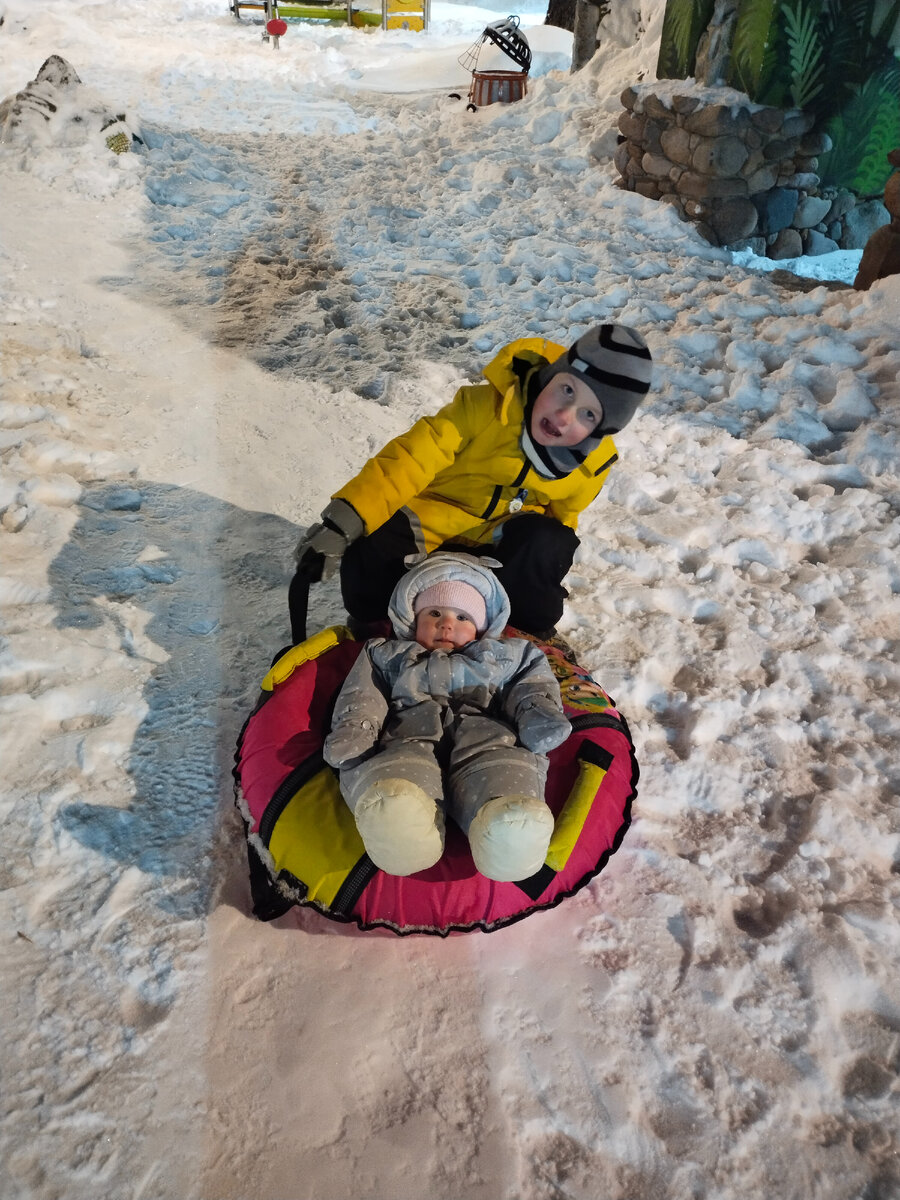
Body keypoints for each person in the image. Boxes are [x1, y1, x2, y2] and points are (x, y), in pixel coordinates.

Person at [292, 323, 653, 638]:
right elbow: (410, 460)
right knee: (372, 546)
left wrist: (541, 570)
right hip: (431, 525)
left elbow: (562, 520)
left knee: (549, 541)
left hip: (500, 549)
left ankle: (528, 631)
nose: (563, 414)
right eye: (567, 390)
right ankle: (374, 624)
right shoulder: (484, 409)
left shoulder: (588, 465)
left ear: (600, 430)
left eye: (587, 413)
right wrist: (343, 523)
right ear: (551, 375)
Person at [322, 553, 571, 882]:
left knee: (503, 767)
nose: (446, 623)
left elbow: (531, 684)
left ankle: (508, 833)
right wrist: (357, 730)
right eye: (434, 612)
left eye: (463, 617)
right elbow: (363, 694)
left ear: (483, 628)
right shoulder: (386, 654)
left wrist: (537, 714)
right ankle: (401, 830)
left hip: (483, 735)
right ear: (411, 618)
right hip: (410, 736)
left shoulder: (507, 655)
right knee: (395, 778)